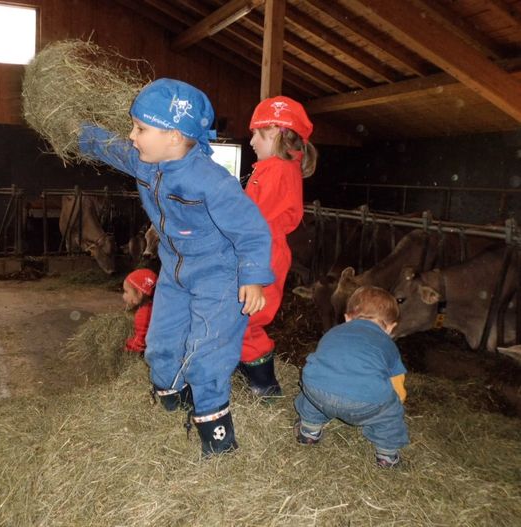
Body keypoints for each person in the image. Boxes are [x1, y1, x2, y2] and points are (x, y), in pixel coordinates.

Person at [78, 78, 275, 456]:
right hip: (176, 273)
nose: (132, 136)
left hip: (220, 278)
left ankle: (218, 444)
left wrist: (252, 277)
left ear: (173, 136)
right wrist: (74, 131)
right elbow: (110, 148)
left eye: (140, 128)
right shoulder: (146, 161)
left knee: (206, 354)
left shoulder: (210, 181)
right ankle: (172, 409)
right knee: (161, 345)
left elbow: (251, 229)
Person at [239, 96, 318, 397]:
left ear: (273, 131)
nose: (250, 142)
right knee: (244, 320)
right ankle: (252, 374)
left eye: (255, 134)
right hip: (265, 252)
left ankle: (264, 385)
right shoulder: (281, 168)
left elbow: (254, 221)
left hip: (262, 255)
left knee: (246, 321)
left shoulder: (274, 170)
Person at [293, 285, 409, 468]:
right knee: (390, 415)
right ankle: (387, 455)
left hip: (318, 392)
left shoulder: (333, 332)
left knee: (313, 387)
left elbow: (322, 359)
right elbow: (398, 387)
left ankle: (309, 430)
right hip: (365, 404)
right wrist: (393, 404)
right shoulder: (388, 345)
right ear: (391, 327)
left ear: (347, 318)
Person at [123, 268, 157, 353]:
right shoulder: (154, 306)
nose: (123, 296)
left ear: (139, 294)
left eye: (126, 292)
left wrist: (128, 346)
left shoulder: (143, 314)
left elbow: (141, 341)